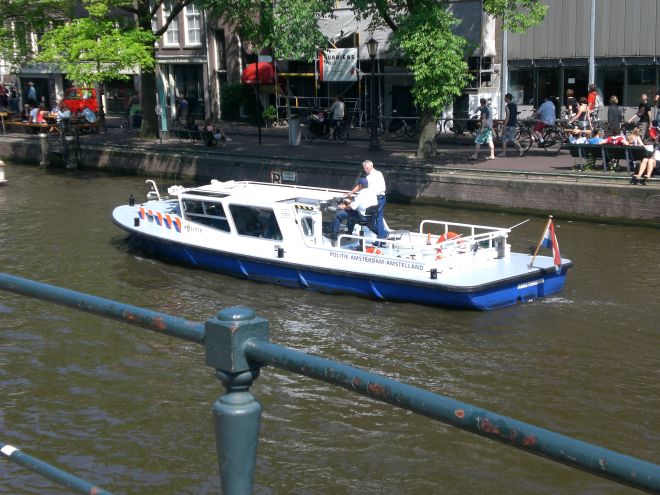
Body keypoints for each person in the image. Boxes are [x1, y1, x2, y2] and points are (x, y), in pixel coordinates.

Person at [331, 178, 378, 245]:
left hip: (361, 217)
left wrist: (343, 207)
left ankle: (334, 237)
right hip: (370, 216)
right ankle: (348, 234)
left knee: (339, 214)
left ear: (360, 185)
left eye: (357, 186)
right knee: (352, 214)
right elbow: (361, 203)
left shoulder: (361, 194)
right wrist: (351, 202)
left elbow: (352, 207)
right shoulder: (372, 193)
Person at [350, 160, 387, 239]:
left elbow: (382, 188)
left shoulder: (374, 175)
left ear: (371, 166)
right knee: (374, 219)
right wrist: (351, 193)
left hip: (378, 198)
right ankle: (383, 234)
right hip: (376, 198)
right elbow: (361, 186)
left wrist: (351, 193)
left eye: (366, 168)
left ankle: (382, 237)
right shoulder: (374, 175)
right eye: (364, 168)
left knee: (377, 218)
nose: (365, 170)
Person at [498, 93, 523, 157]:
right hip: (513, 124)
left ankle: (504, 153)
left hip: (508, 125)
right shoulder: (515, 105)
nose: (504, 99)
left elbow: (507, 117)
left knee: (505, 138)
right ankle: (520, 148)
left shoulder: (507, 106)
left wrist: (504, 126)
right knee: (509, 138)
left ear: (508, 99)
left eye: (505, 98)